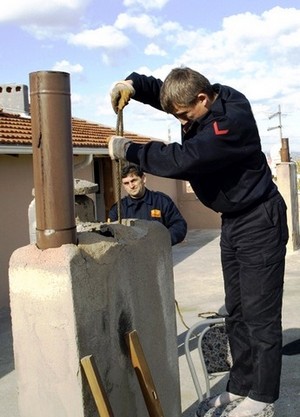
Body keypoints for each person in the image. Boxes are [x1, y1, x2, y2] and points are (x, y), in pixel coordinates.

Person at [108, 67, 289, 417]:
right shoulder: (202, 96)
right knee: (236, 310)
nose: (181, 121)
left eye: (184, 115)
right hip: (234, 223)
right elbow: (167, 92)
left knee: (260, 315)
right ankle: (241, 386)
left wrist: (131, 150)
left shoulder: (230, 124)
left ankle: (264, 397)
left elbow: (183, 160)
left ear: (203, 100)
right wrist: (132, 84)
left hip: (259, 220)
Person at [108, 164, 187, 246]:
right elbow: (110, 234)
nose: (131, 186)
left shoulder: (161, 201)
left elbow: (179, 225)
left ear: (143, 179)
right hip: (130, 255)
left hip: (158, 254)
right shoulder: (118, 209)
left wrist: (163, 240)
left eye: (134, 180)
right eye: (126, 183)